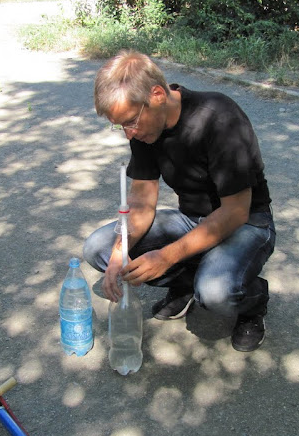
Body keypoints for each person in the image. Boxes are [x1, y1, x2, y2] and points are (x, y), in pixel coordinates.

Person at [83, 50, 275, 352]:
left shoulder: (219, 118)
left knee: (215, 292)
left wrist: (166, 257)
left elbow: (236, 212)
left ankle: (253, 301)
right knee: (99, 249)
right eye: (120, 126)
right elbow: (143, 201)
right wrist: (120, 251)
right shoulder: (145, 129)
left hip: (246, 222)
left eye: (130, 122)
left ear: (157, 94)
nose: (128, 135)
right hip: (192, 220)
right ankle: (187, 283)